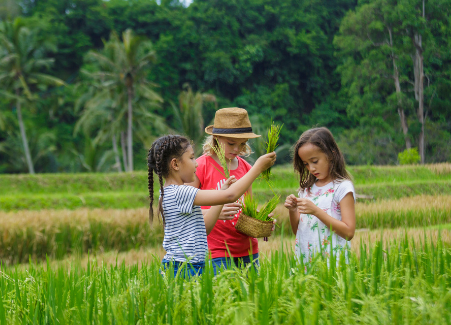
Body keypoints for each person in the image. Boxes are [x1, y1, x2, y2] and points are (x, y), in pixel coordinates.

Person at [147, 134, 277, 277]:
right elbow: (231, 196)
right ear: (175, 164)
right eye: (191, 158)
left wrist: (221, 194)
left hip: (193, 264)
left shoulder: (172, 192)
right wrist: (257, 168)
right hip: (183, 267)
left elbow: (206, 228)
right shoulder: (181, 193)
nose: (196, 163)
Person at [187, 107, 271, 275]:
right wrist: (214, 211)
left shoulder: (246, 167)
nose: (236, 149)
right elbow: (186, 207)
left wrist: (261, 220)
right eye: (231, 143)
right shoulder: (201, 166)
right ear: (216, 138)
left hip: (248, 250)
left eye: (242, 144)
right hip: (216, 250)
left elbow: (248, 207)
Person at [284, 127, 356, 263]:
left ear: (331, 155)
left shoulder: (342, 187)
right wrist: (293, 210)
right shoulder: (306, 189)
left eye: (315, 161)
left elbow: (348, 232)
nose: (311, 168)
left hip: (333, 263)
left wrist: (316, 211)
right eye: (306, 164)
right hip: (306, 262)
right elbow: (298, 232)